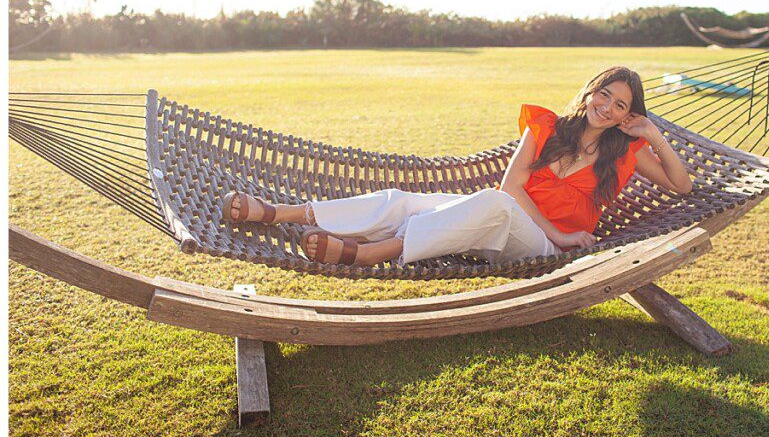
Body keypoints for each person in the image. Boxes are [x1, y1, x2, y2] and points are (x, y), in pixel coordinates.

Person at [220, 66, 693, 267]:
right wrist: (560, 230)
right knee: (404, 200)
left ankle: (369, 253)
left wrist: (653, 135)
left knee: (494, 205)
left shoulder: (626, 155)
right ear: (591, 92)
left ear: (629, 114)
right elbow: (512, 185)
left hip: (540, 249)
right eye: (603, 95)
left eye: (620, 105)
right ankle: (283, 213)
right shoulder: (547, 127)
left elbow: (683, 185)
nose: (607, 107)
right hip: (507, 223)